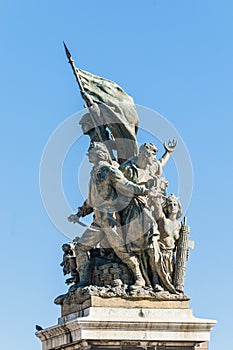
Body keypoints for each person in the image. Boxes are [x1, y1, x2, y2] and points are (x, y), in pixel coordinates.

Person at [68, 142, 150, 288]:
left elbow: (125, 185)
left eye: (91, 152)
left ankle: (139, 278)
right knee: (81, 247)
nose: (88, 155)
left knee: (121, 250)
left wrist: (142, 190)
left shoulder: (109, 170)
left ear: (100, 153)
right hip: (98, 220)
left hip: (109, 218)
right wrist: (79, 214)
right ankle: (84, 281)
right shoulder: (94, 172)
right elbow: (92, 199)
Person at [152, 194, 182, 290]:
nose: (172, 207)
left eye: (175, 204)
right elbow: (158, 210)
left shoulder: (179, 225)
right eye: (170, 205)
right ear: (167, 207)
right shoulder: (163, 220)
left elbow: (179, 243)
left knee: (170, 276)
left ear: (178, 208)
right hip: (161, 252)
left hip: (171, 255)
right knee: (161, 275)